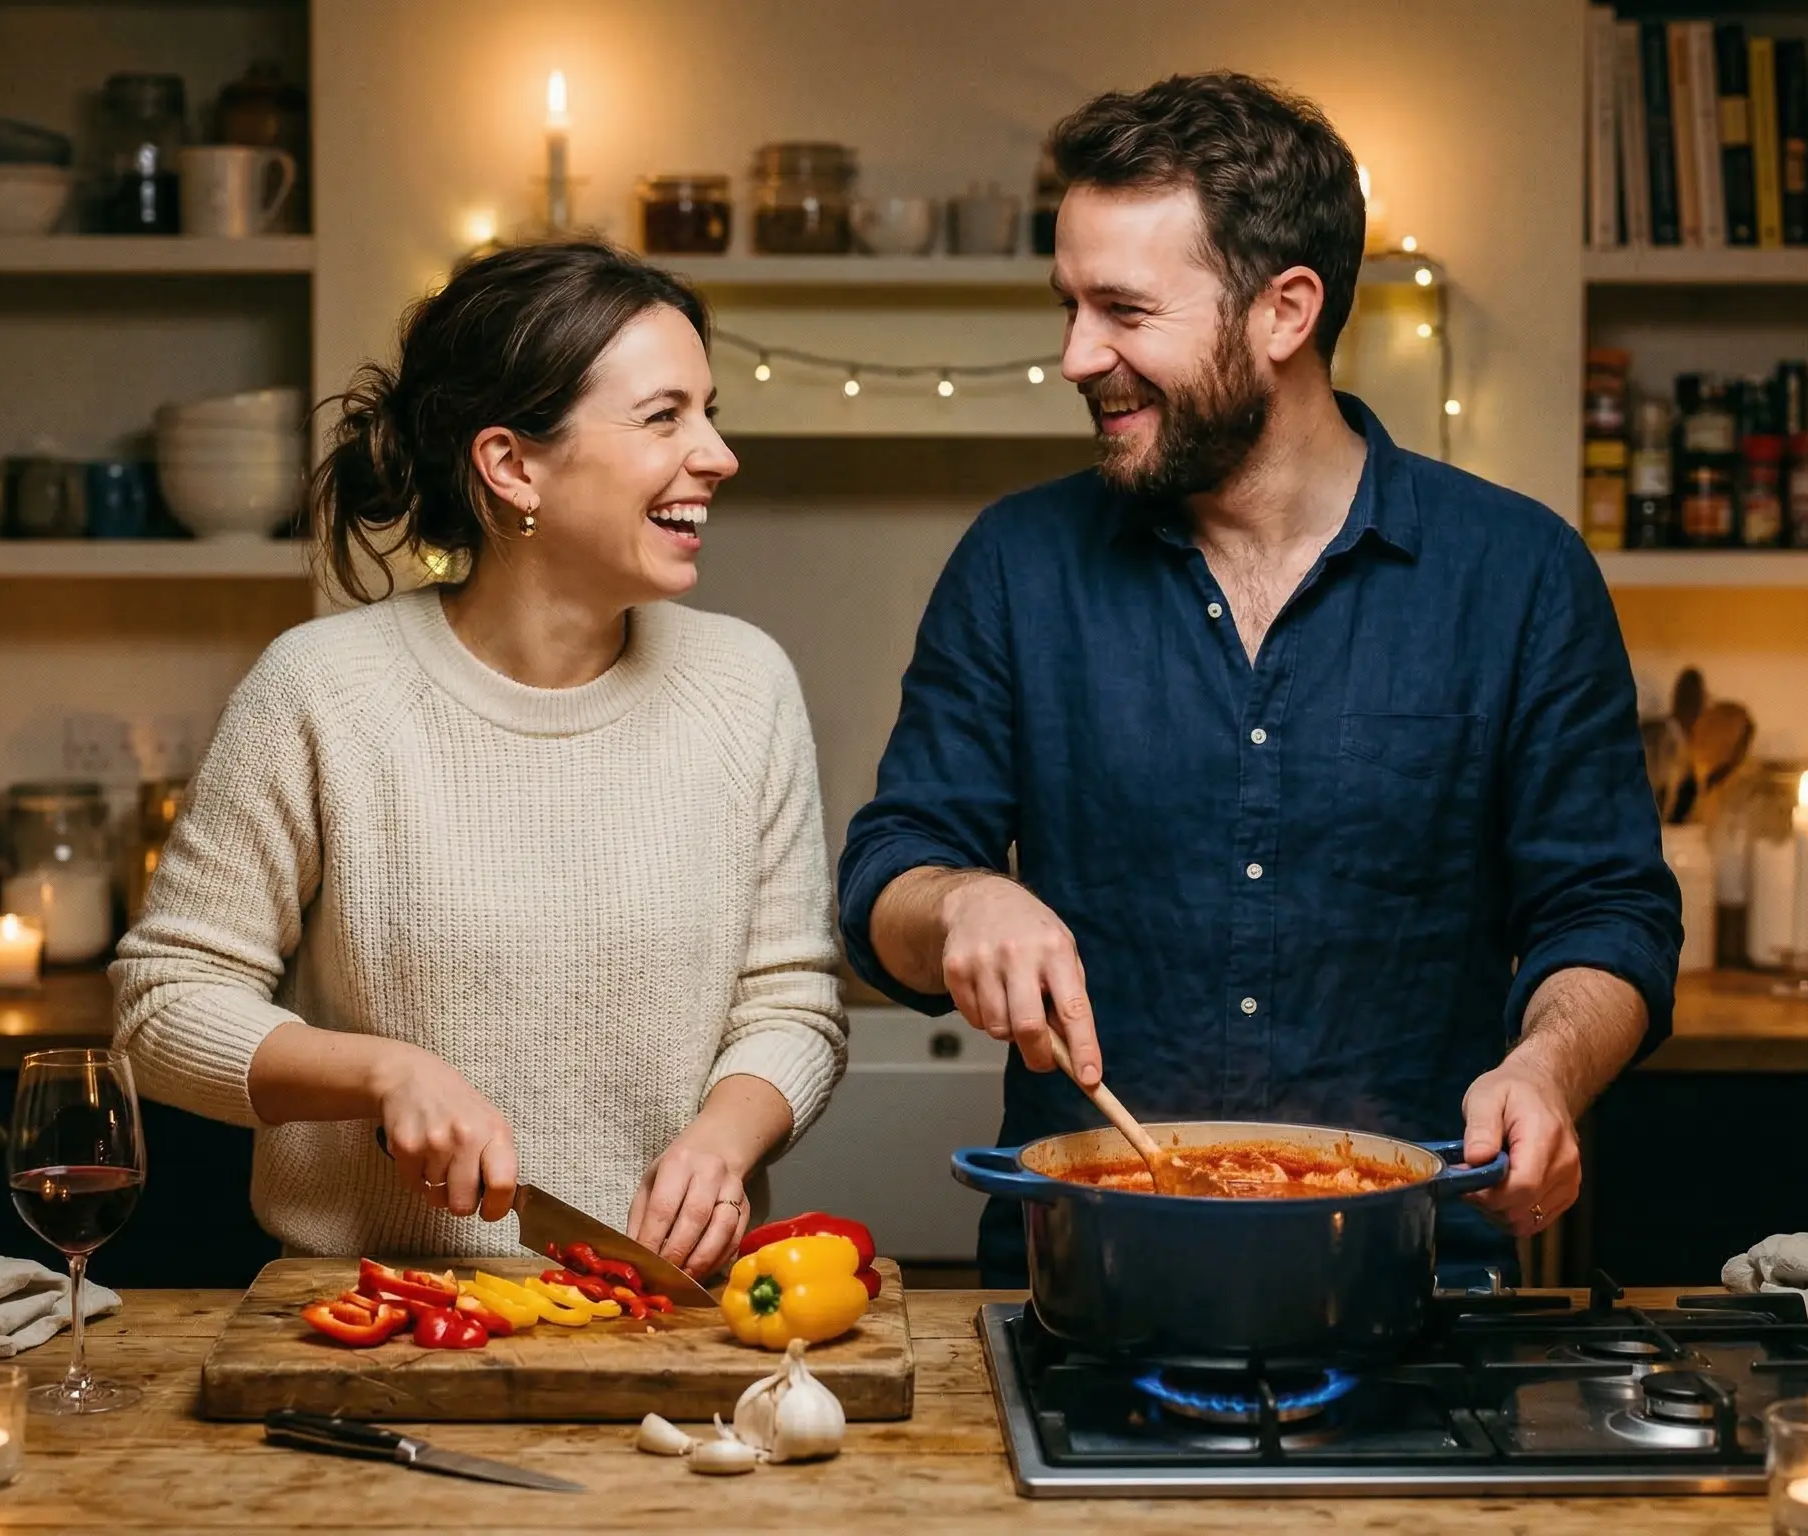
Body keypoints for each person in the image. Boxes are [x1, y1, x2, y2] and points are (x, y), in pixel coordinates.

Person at [839, 74, 1680, 1288]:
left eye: (1125, 311)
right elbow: (886, 880)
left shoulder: (1519, 573)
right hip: (1079, 1275)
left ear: (1285, 311)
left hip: (1412, 1275)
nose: (1077, 355)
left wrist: (1546, 1065)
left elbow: (1609, 914)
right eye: (1069, 306)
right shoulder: (1016, 565)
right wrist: (962, 902)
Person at [115, 241, 846, 1277]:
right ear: (512, 466)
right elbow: (163, 1007)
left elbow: (792, 1005)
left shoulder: (744, 685)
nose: (718, 454)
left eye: (710, 411)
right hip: (371, 1323)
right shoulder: (320, 690)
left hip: (662, 1315)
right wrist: (381, 1075)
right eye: (664, 417)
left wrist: (726, 1141)